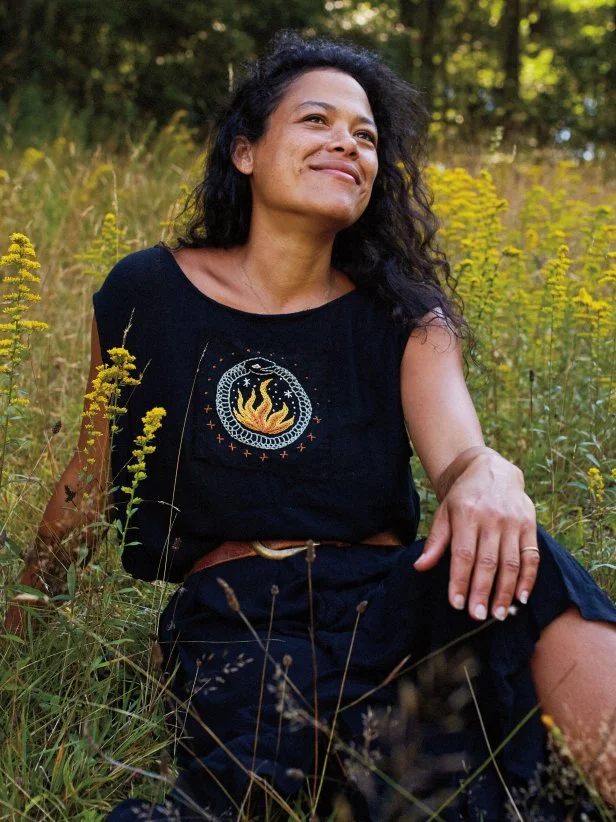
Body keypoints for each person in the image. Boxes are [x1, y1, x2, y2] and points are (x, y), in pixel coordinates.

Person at [5, 32, 616, 821]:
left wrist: (491, 476)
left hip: (390, 607)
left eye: (365, 136)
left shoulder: (404, 314)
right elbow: (91, 479)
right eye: (318, 121)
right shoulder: (146, 291)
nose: (347, 144)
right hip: (238, 616)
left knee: (533, 564)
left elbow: (459, 451)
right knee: (284, 795)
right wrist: (20, 638)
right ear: (246, 152)